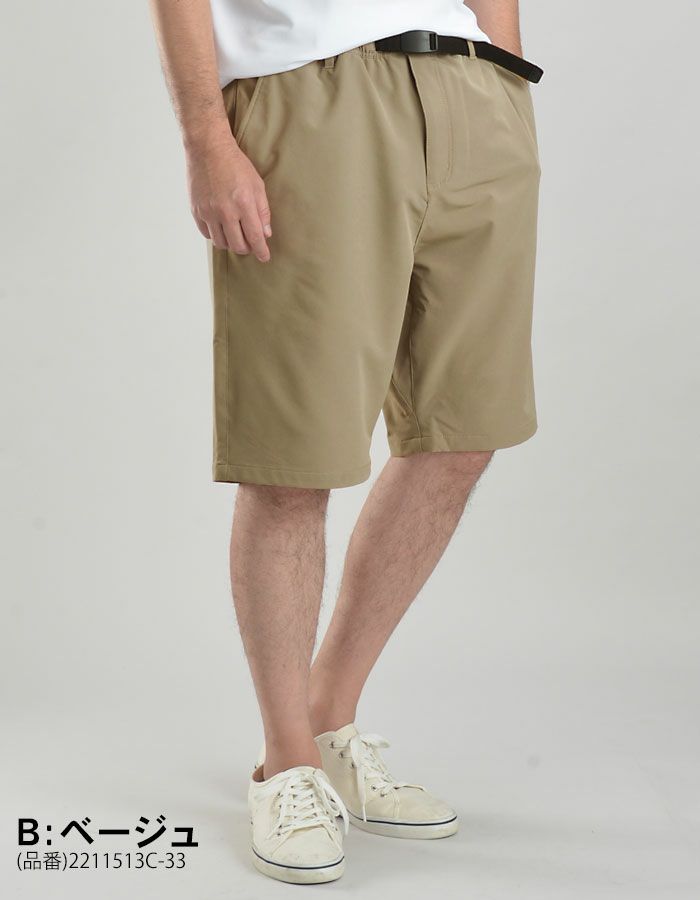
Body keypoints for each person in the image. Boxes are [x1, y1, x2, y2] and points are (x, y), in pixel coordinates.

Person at [149, 0, 542, 884]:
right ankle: (285, 761)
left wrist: (506, 73)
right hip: (312, 95)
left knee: (463, 434)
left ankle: (330, 719)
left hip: (473, 93)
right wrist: (206, 139)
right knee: (295, 457)